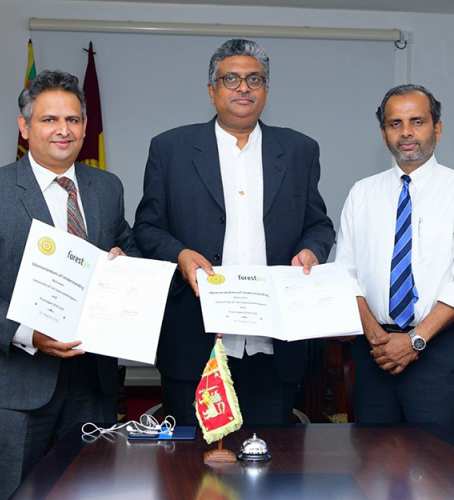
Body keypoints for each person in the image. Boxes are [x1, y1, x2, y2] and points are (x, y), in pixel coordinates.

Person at [0, 69, 138, 500]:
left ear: (85, 126)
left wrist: (125, 265)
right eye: (49, 119)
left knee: (90, 492)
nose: (63, 130)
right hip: (14, 382)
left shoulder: (107, 187)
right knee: (10, 493)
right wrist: (29, 333)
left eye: (73, 119)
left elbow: (129, 248)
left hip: (92, 382)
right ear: (25, 126)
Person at [133, 39, 334, 426]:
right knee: (190, 460)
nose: (244, 87)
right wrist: (179, 255)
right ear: (212, 91)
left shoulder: (299, 150)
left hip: (272, 343)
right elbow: (147, 227)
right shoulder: (170, 149)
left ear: (266, 91)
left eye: (254, 79)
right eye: (231, 79)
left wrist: (312, 249)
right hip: (195, 342)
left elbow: (318, 224)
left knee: (270, 456)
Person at [335, 84, 454, 435]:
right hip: (375, 354)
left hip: (437, 355)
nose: (406, 132)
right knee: (372, 460)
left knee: (437, 461)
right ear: (383, 134)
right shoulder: (362, 193)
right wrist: (375, 336)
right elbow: (345, 274)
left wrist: (415, 340)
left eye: (417, 122)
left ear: (438, 128)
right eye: (395, 124)